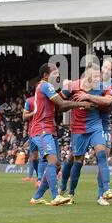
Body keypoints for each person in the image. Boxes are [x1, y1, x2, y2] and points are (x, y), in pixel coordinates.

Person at [30, 63, 93, 206]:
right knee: (52, 161)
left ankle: (37, 196)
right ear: (46, 75)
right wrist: (81, 104)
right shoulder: (46, 86)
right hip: (42, 129)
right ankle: (55, 196)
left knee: (57, 164)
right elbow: (63, 104)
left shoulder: (45, 88)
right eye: (55, 72)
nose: (58, 75)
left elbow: (58, 109)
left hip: (49, 129)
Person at [58, 63, 112, 205]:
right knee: (76, 160)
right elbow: (59, 102)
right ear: (88, 74)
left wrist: (87, 97)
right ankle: (68, 191)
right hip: (78, 128)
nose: (100, 76)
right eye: (97, 74)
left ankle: (105, 191)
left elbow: (108, 100)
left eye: (102, 73)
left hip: (98, 125)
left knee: (102, 154)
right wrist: (65, 89)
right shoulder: (74, 85)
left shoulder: (106, 86)